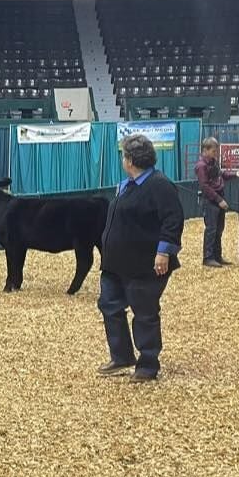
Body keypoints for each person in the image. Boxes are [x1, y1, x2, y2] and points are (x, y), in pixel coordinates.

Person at [97, 133, 185, 382]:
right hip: (116, 264)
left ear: (131, 160)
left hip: (145, 264)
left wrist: (163, 252)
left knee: (144, 311)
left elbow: (173, 220)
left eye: (124, 156)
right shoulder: (128, 184)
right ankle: (122, 355)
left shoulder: (159, 184)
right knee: (109, 305)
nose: (123, 161)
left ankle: (148, 364)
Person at [194, 137, 239, 267]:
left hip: (219, 197)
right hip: (210, 199)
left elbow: (222, 174)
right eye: (213, 150)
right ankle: (208, 257)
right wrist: (219, 200)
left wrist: (236, 174)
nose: (216, 153)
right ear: (205, 150)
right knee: (211, 229)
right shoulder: (201, 166)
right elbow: (205, 186)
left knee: (219, 229)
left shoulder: (214, 162)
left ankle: (217, 256)